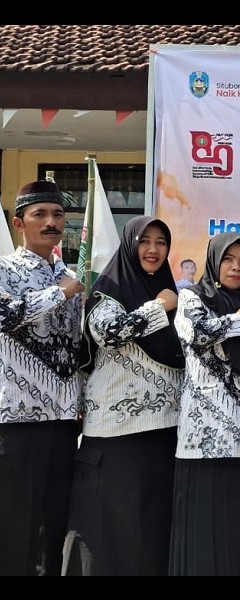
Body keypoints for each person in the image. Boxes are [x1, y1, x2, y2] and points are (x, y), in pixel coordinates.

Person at [63, 215, 185, 576]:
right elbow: (110, 333)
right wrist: (159, 307)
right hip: (114, 438)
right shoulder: (108, 290)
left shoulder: (171, 290)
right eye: (144, 241)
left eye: (160, 242)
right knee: (109, 535)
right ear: (130, 245)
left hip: (163, 434)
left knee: (151, 533)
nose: (152, 249)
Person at [168, 232, 240, 576]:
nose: (236, 267)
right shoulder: (192, 297)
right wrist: (239, 320)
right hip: (206, 444)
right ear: (213, 262)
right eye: (228, 259)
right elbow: (196, 334)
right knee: (204, 539)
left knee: (238, 537)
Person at [0, 180, 84, 576]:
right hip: (18, 420)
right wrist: (60, 294)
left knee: (57, 526)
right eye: (40, 214)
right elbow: (5, 316)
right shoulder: (5, 270)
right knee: (15, 525)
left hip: (65, 421)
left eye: (58, 214)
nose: (51, 222)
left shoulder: (71, 275)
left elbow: (77, 346)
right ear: (20, 223)